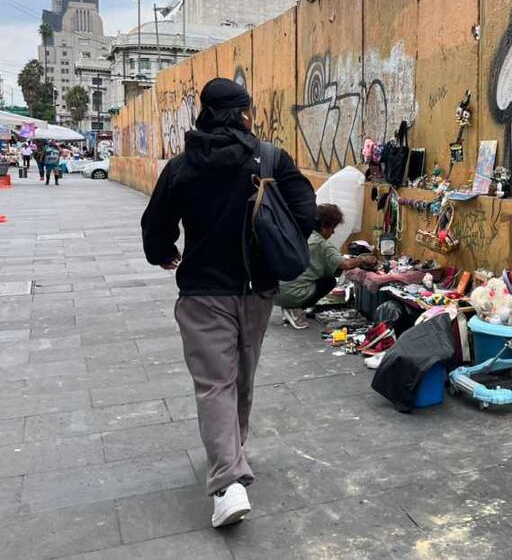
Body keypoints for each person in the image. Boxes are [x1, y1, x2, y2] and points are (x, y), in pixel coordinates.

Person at [141, 78, 316, 528]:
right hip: (256, 291)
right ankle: (230, 465)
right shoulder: (271, 159)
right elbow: (305, 212)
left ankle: (227, 480)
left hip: (202, 293)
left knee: (214, 383)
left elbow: (155, 224)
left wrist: (165, 253)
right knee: (240, 377)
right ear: (242, 113)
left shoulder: (181, 166)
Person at [275, 204, 375, 330]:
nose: (333, 232)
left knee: (322, 273)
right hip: (291, 294)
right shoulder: (321, 244)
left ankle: (290, 306)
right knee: (329, 281)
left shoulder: (301, 233)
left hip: (274, 291)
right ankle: (296, 307)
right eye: (332, 228)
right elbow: (346, 264)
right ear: (324, 226)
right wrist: (363, 259)